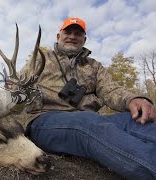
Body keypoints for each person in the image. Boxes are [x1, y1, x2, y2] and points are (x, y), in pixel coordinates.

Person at [21, 17, 156, 179]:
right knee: (87, 123)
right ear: (58, 36)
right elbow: (18, 85)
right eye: (67, 32)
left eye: (77, 34)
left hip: (93, 120)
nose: (72, 36)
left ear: (84, 39)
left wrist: (133, 99)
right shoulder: (39, 59)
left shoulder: (94, 66)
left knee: (138, 120)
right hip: (45, 120)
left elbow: (111, 90)